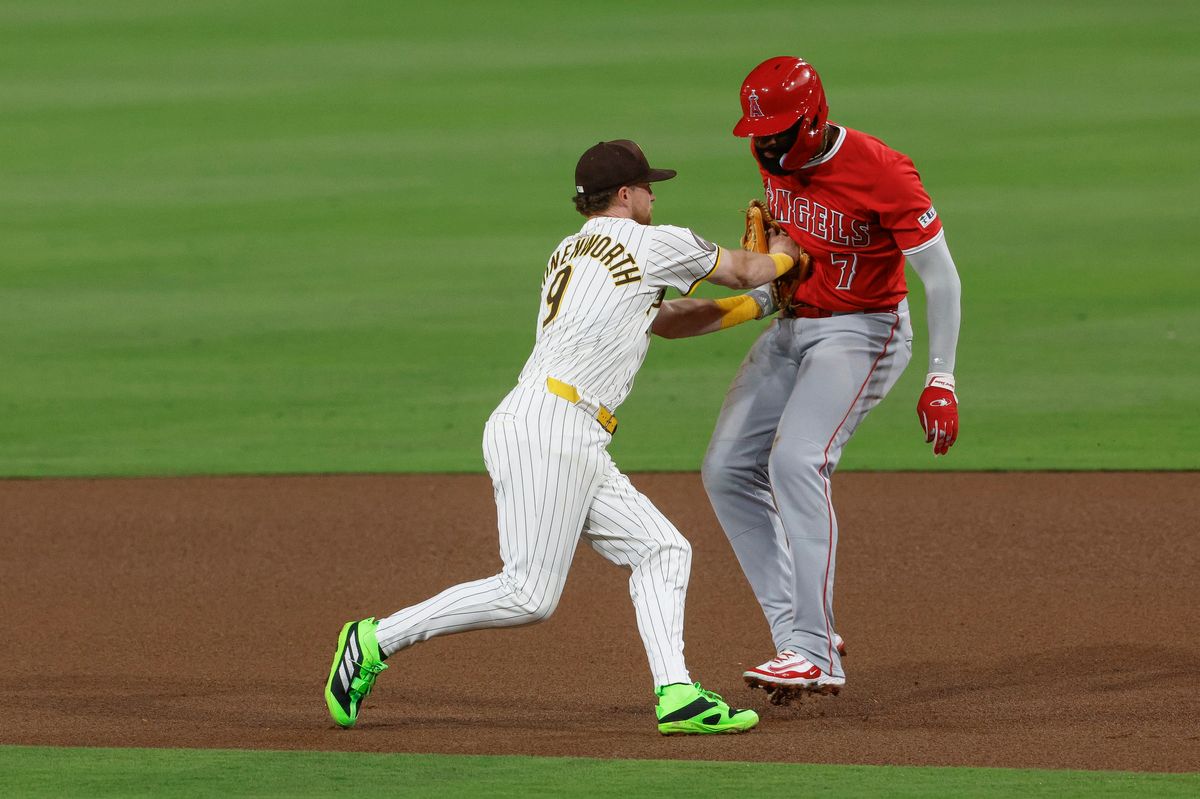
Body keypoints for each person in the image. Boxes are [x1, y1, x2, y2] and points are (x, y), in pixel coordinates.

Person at [325, 138, 803, 735]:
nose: (656, 193)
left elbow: (666, 322)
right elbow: (745, 266)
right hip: (550, 429)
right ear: (625, 195)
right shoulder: (656, 242)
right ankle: (373, 640)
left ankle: (677, 694)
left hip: (558, 427)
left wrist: (755, 308)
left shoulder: (570, 251)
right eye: (649, 185)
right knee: (528, 595)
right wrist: (785, 259)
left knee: (662, 549)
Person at [701, 56, 963, 704]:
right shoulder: (773, 154)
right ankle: (798, 632)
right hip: (796, 325)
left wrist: (942, 378)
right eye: (758, 136)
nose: (766, 146)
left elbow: (941, 277)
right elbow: (792, 235)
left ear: (814, 119)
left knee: (797, 460)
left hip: (864, 330)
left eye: (779, 133)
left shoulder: (884, 171)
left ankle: (816, 656)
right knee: (726, 467)